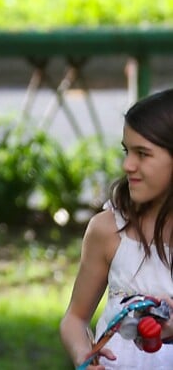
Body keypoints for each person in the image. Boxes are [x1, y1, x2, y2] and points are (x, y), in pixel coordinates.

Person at [60, 88, 173, 369]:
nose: (127, 165)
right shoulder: (108, 230)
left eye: (143, 154)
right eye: (127, 151)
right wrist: (83, 354)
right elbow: (74, 319)